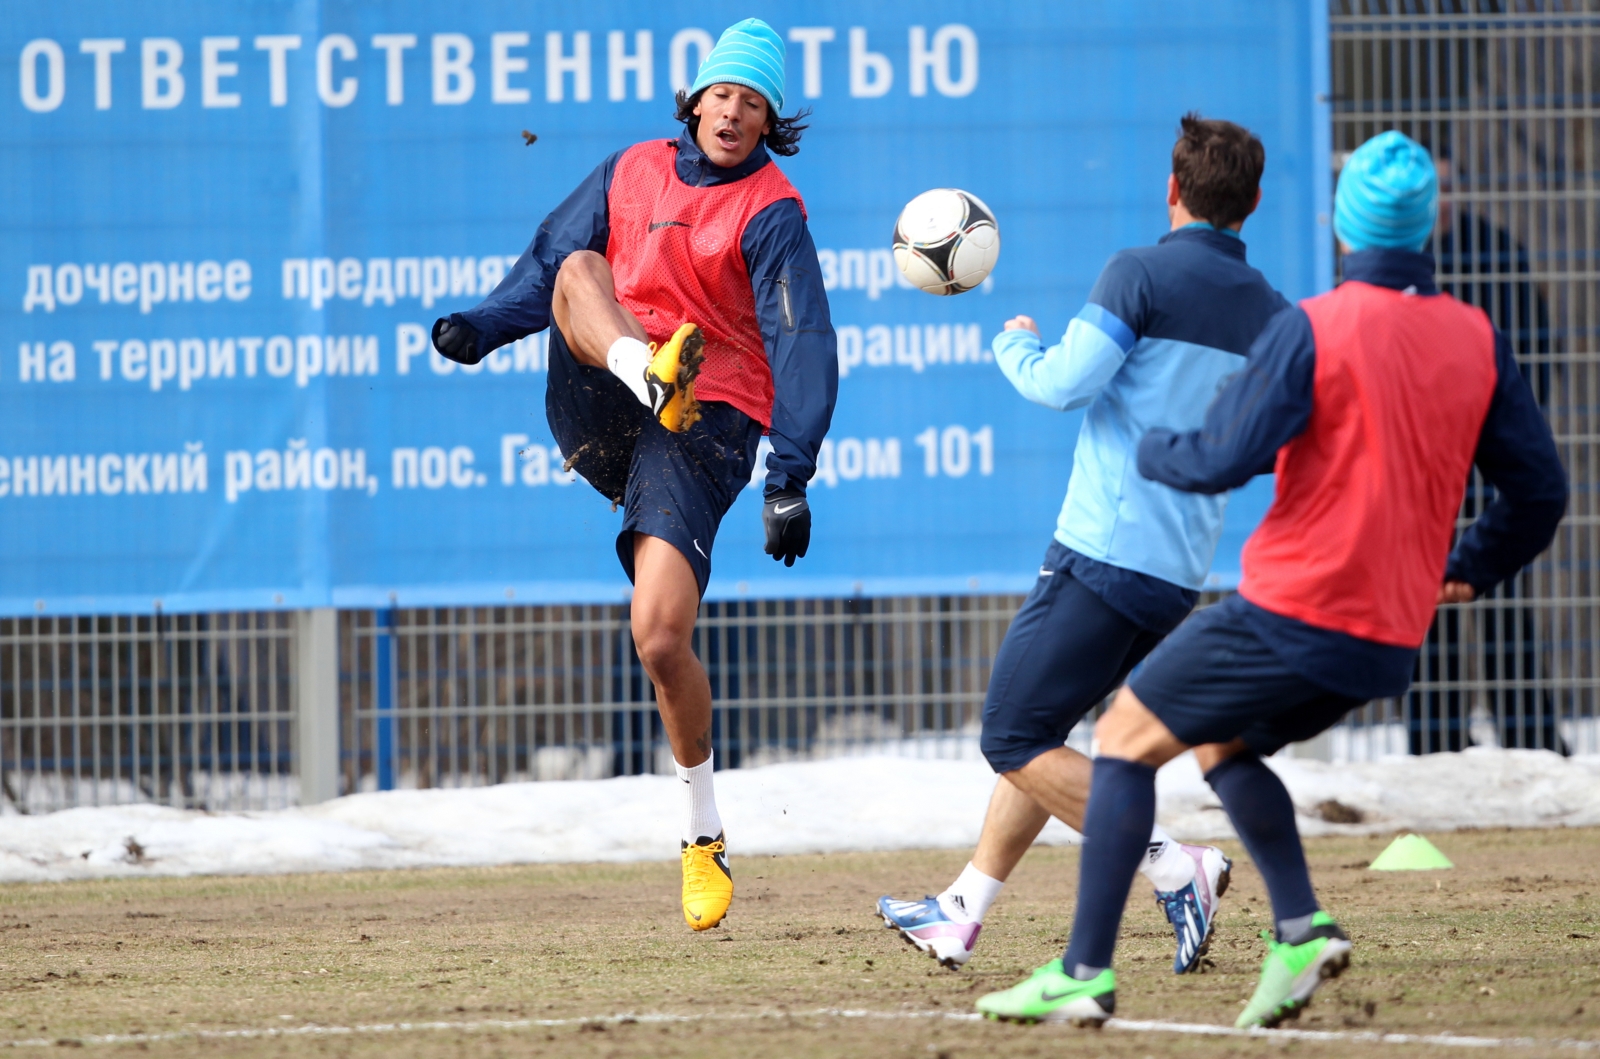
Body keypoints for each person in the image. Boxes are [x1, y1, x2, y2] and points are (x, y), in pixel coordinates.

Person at [974, 130, 1567, 1028]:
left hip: (1298, 606)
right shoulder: (1475, 338)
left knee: (1128, 733)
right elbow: (1541, 493)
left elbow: (1220, 456)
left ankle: (1084, 970)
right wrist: (1469, 568)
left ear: (1342, 227)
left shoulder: (1316, 326)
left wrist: (1157, 446)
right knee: (1220, 742)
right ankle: (1298, 927)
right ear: (1431, 225)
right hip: (1391, 636)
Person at [431, 19, 837, 932]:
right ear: (694, 102)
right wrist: (486, 326)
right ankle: (646, 371)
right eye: (723, 94)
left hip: (707, 423)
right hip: (613, 389)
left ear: (770, 122)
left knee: (658, 639)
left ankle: (703, 835)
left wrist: (790, 473)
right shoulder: (632, 170)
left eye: (754, 102)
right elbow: (552, 268)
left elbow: (800, 341)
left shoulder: (773, 210)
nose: (734, 111)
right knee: (582, 262)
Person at [878, 115, 1289, 976]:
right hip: (1179, 569)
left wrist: (1015, 345)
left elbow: (1065, 385)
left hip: (1102, 554)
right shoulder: (1274, 313)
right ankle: (961, 909)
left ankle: (1177, 866)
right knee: (1044, 731)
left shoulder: (1138, 271)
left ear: (1172, 192)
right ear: (1252, 202)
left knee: (1011, 737)